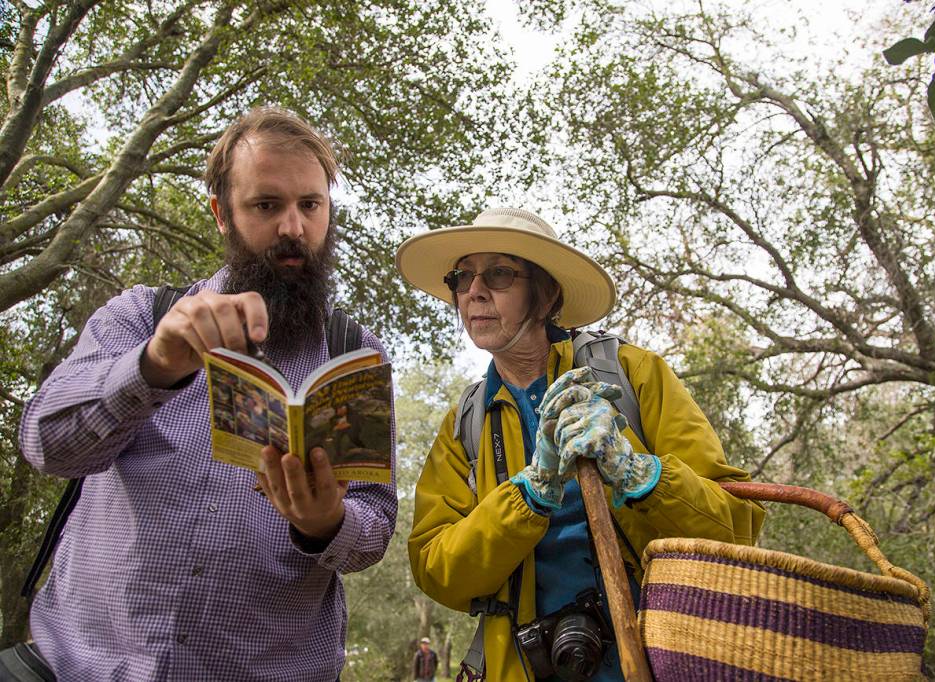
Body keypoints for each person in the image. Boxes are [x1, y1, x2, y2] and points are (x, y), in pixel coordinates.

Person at [19, 107, 397, 680]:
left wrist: (326, 522)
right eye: (266, 205)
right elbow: (47, 445)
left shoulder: (355, 356)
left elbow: (374, 530)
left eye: (310, 205)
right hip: (79, 664)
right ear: (222, 213)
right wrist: (153, 367)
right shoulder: (139, 317)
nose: (293, 228)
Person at [397, 207, 765, 681]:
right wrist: (529, 494)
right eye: (462, 277)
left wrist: (640, 473)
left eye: (499, 274)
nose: (474, 291)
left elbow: (735, 529)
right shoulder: (463, 426)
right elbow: (436, 570)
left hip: (662, 661)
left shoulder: (634, 374)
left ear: (547, 293)